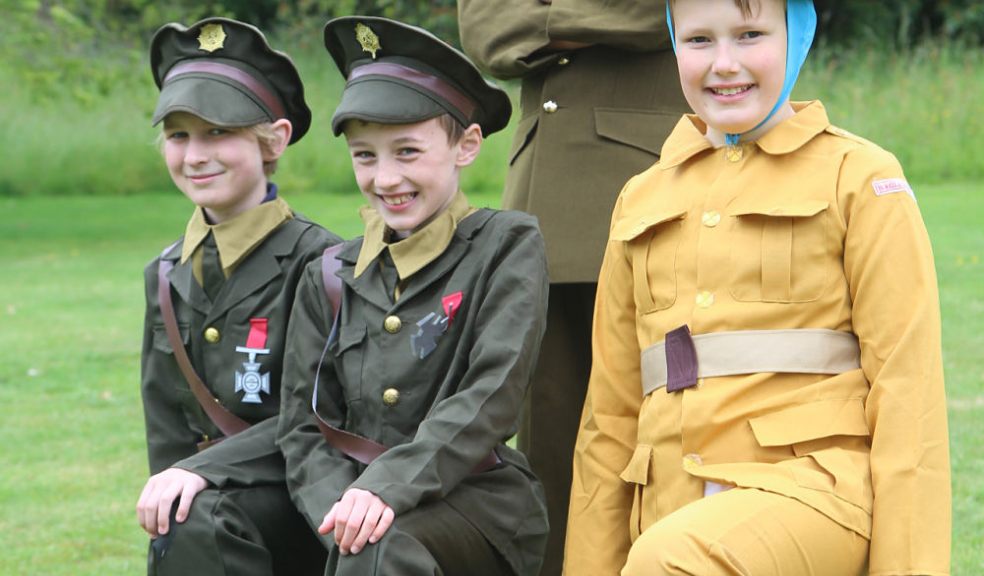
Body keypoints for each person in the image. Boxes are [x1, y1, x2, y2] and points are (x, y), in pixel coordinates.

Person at [565, 0, 951, 574]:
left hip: (814, 497)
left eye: (750, 35)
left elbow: (907, 393)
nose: (724, 63)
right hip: (668, 514)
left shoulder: (860, 176)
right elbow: (609, 415)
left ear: (797, 36)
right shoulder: (638, 198)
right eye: (699, 40)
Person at [273, 16, 550, 576]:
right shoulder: (328, 271)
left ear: (466, 145)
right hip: (357, 504)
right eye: (365, 156)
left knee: (378, 546)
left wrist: (384, 489)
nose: (385, 178)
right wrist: (341, 512)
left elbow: (491, 394)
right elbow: (302, 427)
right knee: (368, 545)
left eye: (407, 151)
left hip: (478, 504)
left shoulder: (507, 244)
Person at [455, 3, 691, 572]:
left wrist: (541, 15)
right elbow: (487, 31)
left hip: (657, 182)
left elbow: (672, 12)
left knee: (671, 430)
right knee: (552, 444)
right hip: (544, 197)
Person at [135, 17, 339, 575]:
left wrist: (200, 477)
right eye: (178, 136)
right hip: (207, 512)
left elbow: (321, 418)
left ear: (274, 138)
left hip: (302, 500)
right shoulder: (164, 271)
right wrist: (172, 501)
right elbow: (168, 428)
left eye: (218, 132)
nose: (195, 155)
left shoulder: (322, 262)